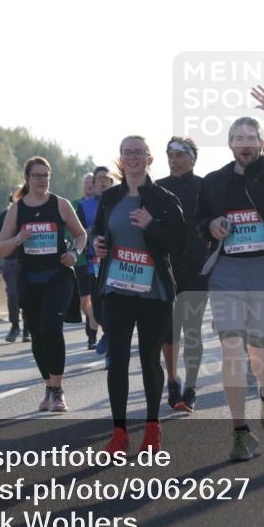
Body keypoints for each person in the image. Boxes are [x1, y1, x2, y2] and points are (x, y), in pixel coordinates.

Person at [196, 84, 264, 462]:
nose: (245, 143)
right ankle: (240, 433)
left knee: (260, 357)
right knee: (232, 352)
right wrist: (210, 226)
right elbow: (198, 222)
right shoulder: (213, 182)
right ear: (229, 144)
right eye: (238, 138)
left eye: (251, 138)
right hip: (227, 271)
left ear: (261, 142)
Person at [92, 136, 186, 453]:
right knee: (116, 360)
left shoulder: (163, 199)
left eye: (138, 152)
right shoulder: (110, 198)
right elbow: (98, 232)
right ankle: (119, 434)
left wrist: (151, 225)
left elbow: (179, 244)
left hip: (153, 292)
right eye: (127, 153)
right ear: (121, 159)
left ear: (149, 158)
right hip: (117, 289)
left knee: (149, 360)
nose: (132, 158)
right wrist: (97, 244)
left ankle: (151, 428)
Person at [0, 157, 86, 412]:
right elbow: (0, 249)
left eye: (46, 175)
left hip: (58, 275)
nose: (42, 180)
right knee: (37, 334)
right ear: (27, 178)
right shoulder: (17, 209)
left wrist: (75, 254)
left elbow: (81, 235)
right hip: (30, 279)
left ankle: (58, 391)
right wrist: (18, 238)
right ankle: (49, 386)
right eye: (37, 175)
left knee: (51, 326)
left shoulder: (61, 205)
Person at [156, 137, 208, 413]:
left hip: (198, 268)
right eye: (170, 155)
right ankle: (172, 380)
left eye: (179, 155)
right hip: (167, 267)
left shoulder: (204, 187)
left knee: (192, 330)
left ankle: (191, 386)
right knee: (169, 330)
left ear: (192, 158)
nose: (173, 160)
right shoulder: (158, 188)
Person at [77, 166, 116, 363]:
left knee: (114, 306)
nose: (102, 182)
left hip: (118, 263)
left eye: (106, 179)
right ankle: (107, 333)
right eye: (99, 179)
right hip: (95, 263)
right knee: (98, 308)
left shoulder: (120, 201)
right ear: (93, 184)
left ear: (112, 182)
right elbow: (81, 233)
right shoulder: (84, 206)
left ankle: (112, 345)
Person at [0, 188, 28, 343]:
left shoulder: (30, 213)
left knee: (28, 294)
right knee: (12, 294)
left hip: (28, 260)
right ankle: (15, 325)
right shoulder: (4, 215)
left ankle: (27, 327)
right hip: (10, 260)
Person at [71, 173, 98, 349]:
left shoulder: (107, 201)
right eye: (86, 182)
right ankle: (91, 322)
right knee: (84, 302)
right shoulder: (76, 205)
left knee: (95, 299)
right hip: (80, 259)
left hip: (97, 259)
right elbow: (71, 230)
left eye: (91, 182)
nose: (89, 185)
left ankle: (93, 333)